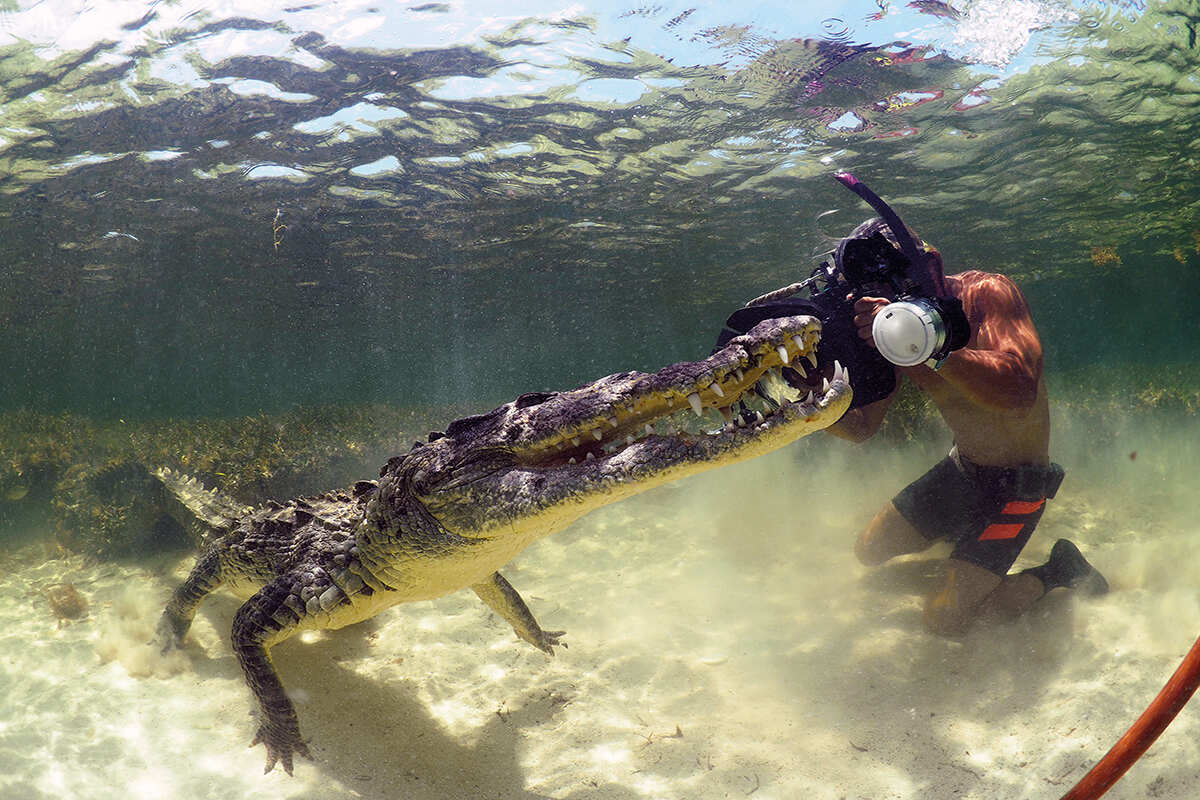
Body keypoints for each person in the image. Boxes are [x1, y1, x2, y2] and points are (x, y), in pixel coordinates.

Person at [824, 217, 1108, 637]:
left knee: (944, 621)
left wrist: (928, 346)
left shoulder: (986, 293)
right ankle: (969, 559)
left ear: (931, 267)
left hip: (1019, 488)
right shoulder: (884, 325)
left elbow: (1019, 389)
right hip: (961, 470)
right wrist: (812, 405)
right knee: (869, 553)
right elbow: (863, 426)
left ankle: (1059, 569)